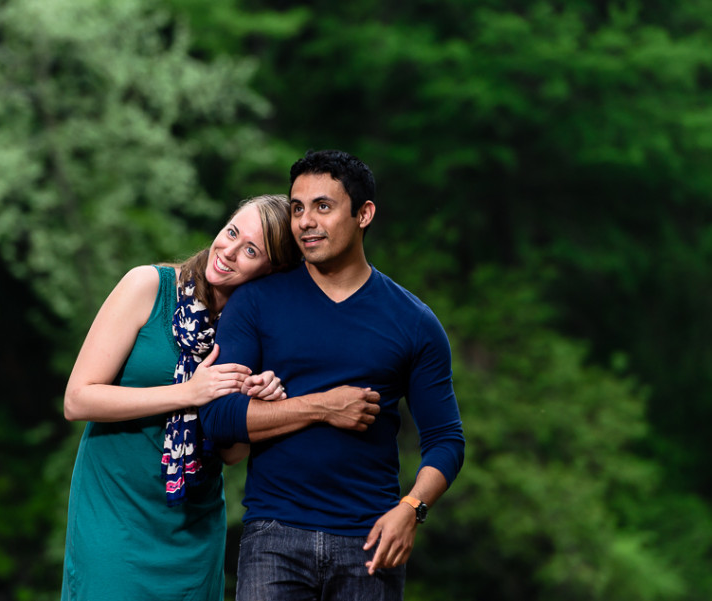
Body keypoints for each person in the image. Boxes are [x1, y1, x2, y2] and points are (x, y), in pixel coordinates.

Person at [198, 150, 465, 600]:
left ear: (364, 214)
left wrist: (411, 508)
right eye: (298, 208)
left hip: (369, 541)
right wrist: (323, 406)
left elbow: (446, 440)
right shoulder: (256, 302)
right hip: (273, 535)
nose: (304, 221)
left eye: (323, 206)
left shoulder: (414, 321)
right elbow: (219, 418)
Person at [60, 194, 308, 601]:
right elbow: (78, 400)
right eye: (231, 232)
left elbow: (230, 454)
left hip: (193, 529)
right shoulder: (148, 286)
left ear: (272, 271)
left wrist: (260, 404)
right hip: (114, 517)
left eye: (250, 250)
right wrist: (187, 393)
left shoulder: (255, 333)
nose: (227, 251)